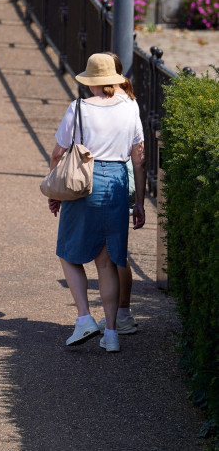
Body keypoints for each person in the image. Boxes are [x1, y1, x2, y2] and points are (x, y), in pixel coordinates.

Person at [48, 53, 146, 353]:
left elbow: (58, 153)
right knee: (107, 262)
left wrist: (55, 191)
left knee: (68, 253)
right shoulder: (130, 107)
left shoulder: (79, 108)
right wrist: (139, 202)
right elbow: (139, 159)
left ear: (90, 80)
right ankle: (112, 333)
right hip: (117, 181)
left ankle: (84, 318)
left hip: (85, 180)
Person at [97, 51, 140, 335]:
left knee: (113, 253)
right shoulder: (128, 98)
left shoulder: (114, 100)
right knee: (115, 251)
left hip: (113, 176)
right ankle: (120, 314)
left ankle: (121, 315)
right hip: (125, 176)